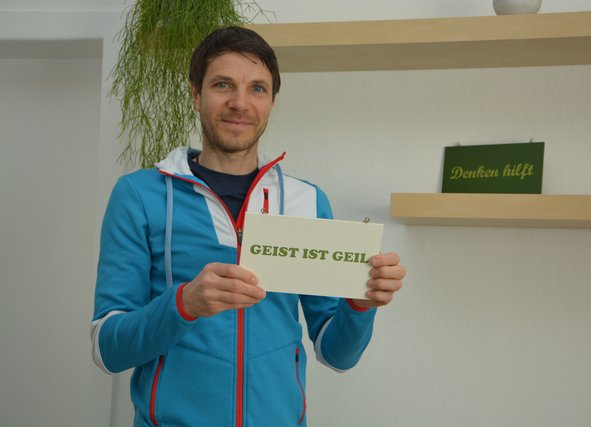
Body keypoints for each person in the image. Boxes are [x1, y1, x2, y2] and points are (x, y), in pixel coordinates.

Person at [91, 26, 405, 427]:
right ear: (195, 93)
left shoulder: (307, 201)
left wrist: (362, 304)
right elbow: (107, 348)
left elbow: (336, 354)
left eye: (257, 88)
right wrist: (183, 304)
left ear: (272, 101)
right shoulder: (138, 195)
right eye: (223, 84)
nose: (240, 103)